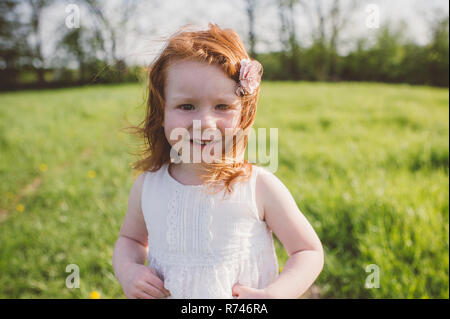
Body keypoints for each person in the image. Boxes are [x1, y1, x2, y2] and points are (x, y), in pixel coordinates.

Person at [112, 23, 324, 299]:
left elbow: (307, 250)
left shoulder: (257, 186)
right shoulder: (148, 186)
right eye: (187, 106)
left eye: (222, 107)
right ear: (162, 113)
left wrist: (277, 294)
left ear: (243, 112)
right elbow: (130, 240)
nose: (204, 123)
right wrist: (129, 272)